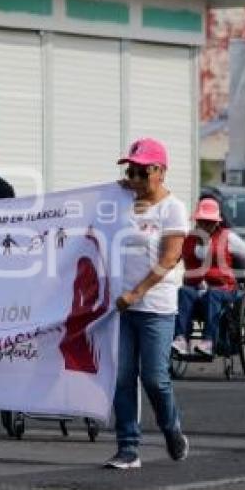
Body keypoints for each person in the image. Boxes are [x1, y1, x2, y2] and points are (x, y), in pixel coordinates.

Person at [105, 137, 189, 470]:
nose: (135, 178)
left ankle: (171, 427)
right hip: (123, 307)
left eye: (142, 172)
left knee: (155, 378)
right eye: (131, 171)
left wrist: (136, 292)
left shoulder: (173, 208)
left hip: (155, 305)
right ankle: (128, 446)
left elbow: (170, 258)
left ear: (160, 171)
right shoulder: (123, 200)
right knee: (122, 376)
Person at [174, 197, 245, 356]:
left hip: (224, 290)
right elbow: (170, 261)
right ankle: (180, 339)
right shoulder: (188, 239)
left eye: (209, 222)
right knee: (184, 292)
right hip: (196, 290)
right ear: (197, 220)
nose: (205, 225)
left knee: (213, 294)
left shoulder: (228, 238)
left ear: (217, 222)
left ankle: (209, 342)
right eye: (202, 221)